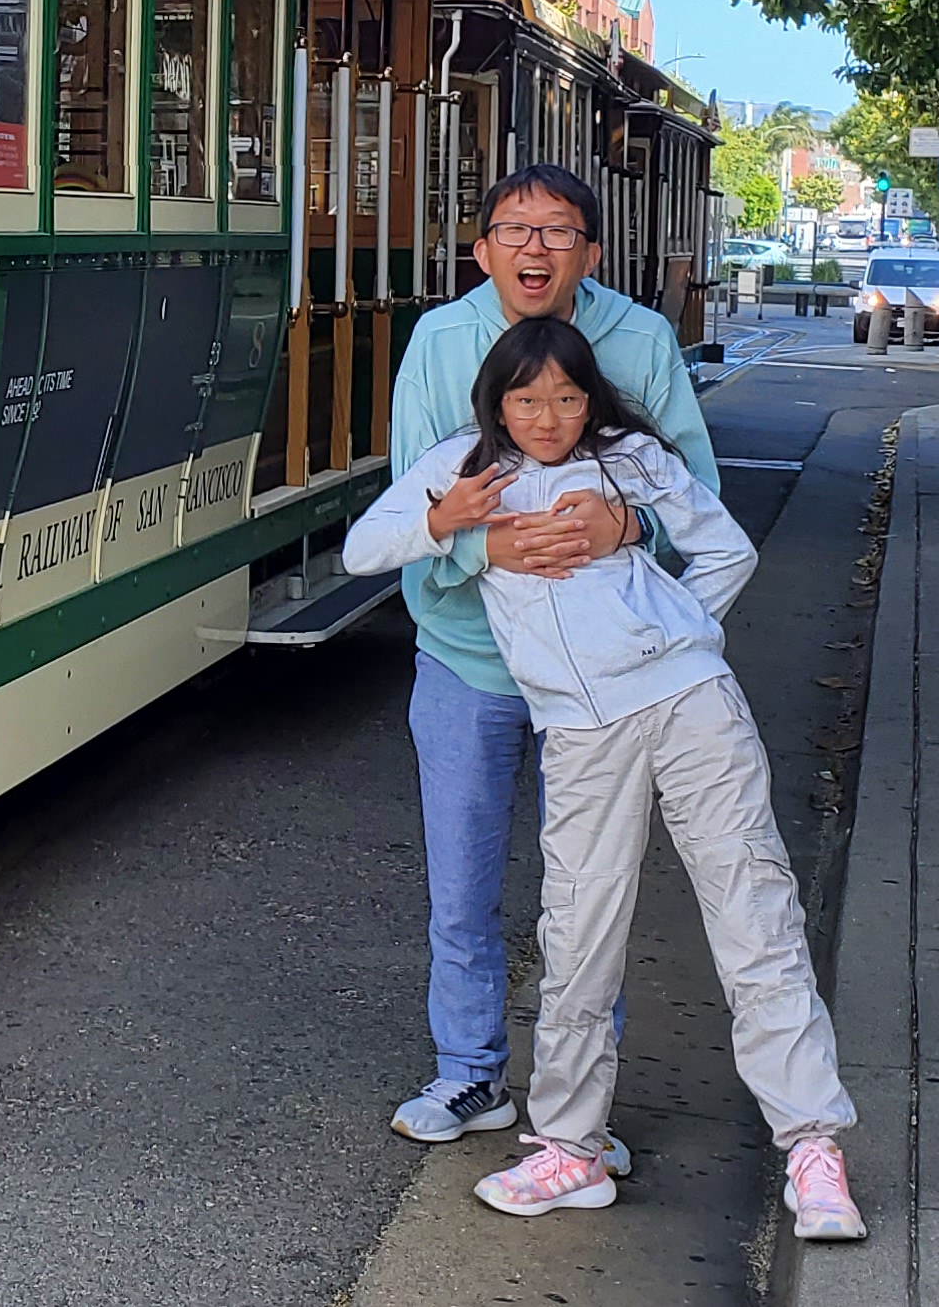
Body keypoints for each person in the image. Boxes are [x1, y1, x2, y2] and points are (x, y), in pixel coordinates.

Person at [344, 318, 863, 1240]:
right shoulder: (464, 466)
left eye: (566, 398)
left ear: (591, 399)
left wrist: (675, 628)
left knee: (755, 913)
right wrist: (443, 521)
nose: (547, 418)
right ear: (497, 402)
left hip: (691, 704)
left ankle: (813, 1149)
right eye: (526, 399)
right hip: (580, 730)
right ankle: (570, 1148)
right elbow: (360, 551)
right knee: (578, 934)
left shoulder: (632, 459)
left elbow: (729, 550)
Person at [380, 166, 720, 1155]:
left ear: (591, 253)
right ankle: (469, 1074)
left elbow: (696, 499)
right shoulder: (438, 342)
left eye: (559, 231)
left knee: (590, 893)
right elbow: (410, 508)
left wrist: (629, 526)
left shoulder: (641, 341)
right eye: (515, 230)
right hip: (470, 660)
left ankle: (580, 1112)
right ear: (481, 249)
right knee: (462, 886)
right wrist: (487, 547)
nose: (536, 248)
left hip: (603, 676)